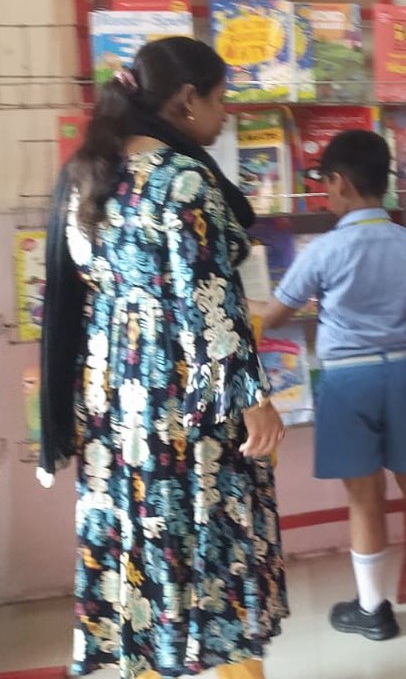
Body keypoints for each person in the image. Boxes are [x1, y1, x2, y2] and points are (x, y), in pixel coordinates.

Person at [39, 37, 287, 678]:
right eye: (221, 99)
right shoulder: (183, 181)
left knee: (138, 532)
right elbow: (208, 302)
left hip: (114, 390)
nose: (225, 115)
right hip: (185, 390)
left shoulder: (85, 173)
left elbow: (74, 290)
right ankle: (224, 660)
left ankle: (150, 659)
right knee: (206, 528)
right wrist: (252, 400)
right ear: (187, 99)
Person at [254, 130, 406, 641]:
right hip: (402, 371)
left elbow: (275, 314)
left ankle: (373, 610)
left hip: (347, 380)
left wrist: (237, 308)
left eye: (324, 182)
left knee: (364, 496)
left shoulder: (325, 249)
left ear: (339, 182)